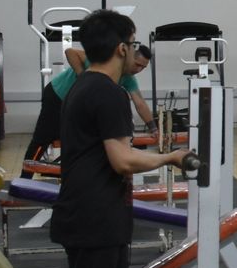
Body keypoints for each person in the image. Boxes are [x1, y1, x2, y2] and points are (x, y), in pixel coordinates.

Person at [53, 11, 190, 268]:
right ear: (121, 48)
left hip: (95, 211)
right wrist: (171, 158)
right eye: (131, 43)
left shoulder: (86, 86)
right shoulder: (106, 93)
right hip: (94, 214)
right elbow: (121, 160)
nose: (133, 51)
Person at [22, 42, 154, 172]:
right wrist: (83, 77)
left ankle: (78, 175)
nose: (138, 70)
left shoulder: (128, 79)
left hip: (77, 104)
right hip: (57, 95)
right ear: (129, 57)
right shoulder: (104, 62)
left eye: (143, 67)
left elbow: (140, 103)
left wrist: (153, 128)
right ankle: (25, 178)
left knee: (85, 138)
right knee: (43, 138)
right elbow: (70, 52)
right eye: (137, 64)